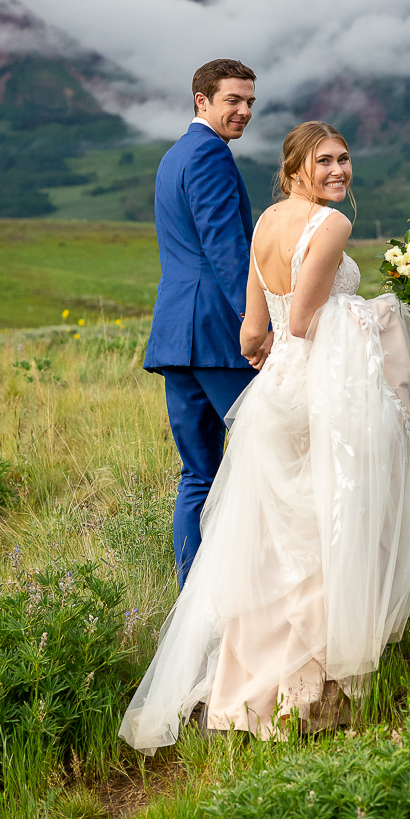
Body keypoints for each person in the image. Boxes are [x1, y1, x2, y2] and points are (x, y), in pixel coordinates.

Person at [121, 121, 410, 755]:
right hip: (322, 394)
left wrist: (274, 349)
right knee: (328, 533)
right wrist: (396, 313)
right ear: (296, 166)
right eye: (325, 161)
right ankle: (306, 700)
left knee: (274, 546)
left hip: (273, 396)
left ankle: (246, 697)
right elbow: (306, 320)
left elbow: (251, 333)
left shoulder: (265, 223)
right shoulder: (333, 227)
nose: (339, 171)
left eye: (345, 159)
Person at [143, 58, 271, 585]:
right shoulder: (211, 155)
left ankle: (191, 595)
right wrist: (257, 321)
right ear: (202, 100)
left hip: (176, 333)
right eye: (232, 101)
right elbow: (227, 248)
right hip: (219, 334)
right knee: (266, 451)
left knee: (198, 473)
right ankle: (251, 588)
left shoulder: (174, 155)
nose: (243, 112)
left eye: (249, 103)